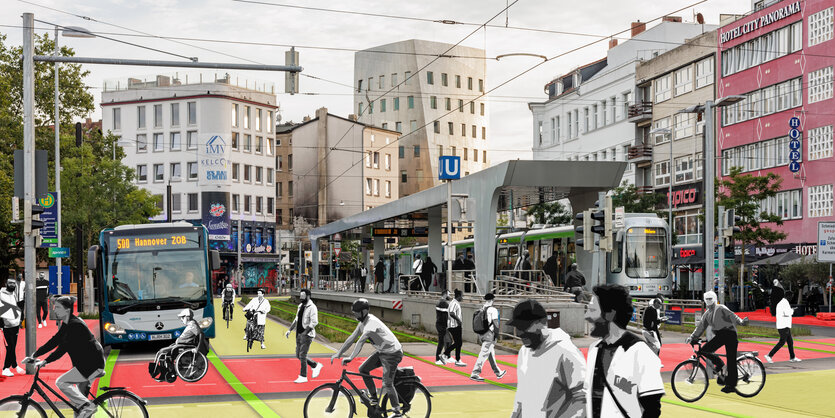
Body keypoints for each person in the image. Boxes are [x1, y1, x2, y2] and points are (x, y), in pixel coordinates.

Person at [584, 284, 664, 418]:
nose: (587, 316)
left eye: (592, 310)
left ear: (610, 314)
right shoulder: (594, 349)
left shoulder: (641, 353)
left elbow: (652, 409)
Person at [26, 296, 104, 418]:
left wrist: (45, 361)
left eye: (57, 307)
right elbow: (55, 341)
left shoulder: (75, 325)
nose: (54, 309)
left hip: (91, 365)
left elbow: (62, 349)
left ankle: (89, 406)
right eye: (54, 307)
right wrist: (35, 355)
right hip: (86, 364)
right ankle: (87, 408)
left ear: (67, 309)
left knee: (61, 382)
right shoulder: (67, 323)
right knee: (79, 404)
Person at [510, 299, 585, 418]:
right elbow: (521, 398)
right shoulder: (524, 352)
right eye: (517, 327)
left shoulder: (566, 351)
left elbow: (581, 398)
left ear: (543, 322)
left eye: (525, 326)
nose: (520, 332)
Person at [332, 299, 404, 417]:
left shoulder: (371, 323)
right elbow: (352, 338)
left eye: (356, 312)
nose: (354, 314)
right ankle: (374, 398)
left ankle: (397, 411)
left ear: (364, 311)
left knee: (387, 383)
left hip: (393, 353)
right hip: (382, 352)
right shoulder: (362, 323)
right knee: (363, 369)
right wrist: (339, 353)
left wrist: (350, 357)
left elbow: (360, 342)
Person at [686, 290, 749, 394]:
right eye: (707, 299)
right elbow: (701, 327)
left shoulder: (721, 308)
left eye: (710, 298)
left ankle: (731, 385)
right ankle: (719, 364)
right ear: (704, 300)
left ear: (715, 299)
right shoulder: (707, 314)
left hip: (730, 334)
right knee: (704, 350)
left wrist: (741, 322)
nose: (709, 301)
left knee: (731, 359)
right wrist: (692, 337)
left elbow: (732, 316)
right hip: (720, 335)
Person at [286, 289, 323, 383]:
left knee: (302, 355)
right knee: (298, 355)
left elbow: (314, 322)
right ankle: (315, 365)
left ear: (308, 296)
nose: (301, 298)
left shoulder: (312, 307)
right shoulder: (300, 306)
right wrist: (290, 330)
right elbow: (296, 319)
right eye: (300, 296)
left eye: (303, 296)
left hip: (307, 335)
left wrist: (305, 333)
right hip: (298, 334)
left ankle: (303, 376)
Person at [154, 308, 205, 377]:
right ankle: (165, 370)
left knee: (162, 351)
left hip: (183, 346)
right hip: (180, 345)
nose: (181, 319)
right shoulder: (190, 325)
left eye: (182, 317)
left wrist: (198, 348)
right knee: (161, 352)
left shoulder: (193, 325)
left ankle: (168, 371)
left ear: (187, 317)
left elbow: (201, 334)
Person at [470, 293, 507, 382]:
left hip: (481, 334)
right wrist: (496, 335)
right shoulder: (493, 310)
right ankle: (475, 373)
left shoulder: (482, 308)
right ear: (492, 300)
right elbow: (495, 323)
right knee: (484, 354)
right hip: (489, 334)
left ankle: (498, 372)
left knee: (490, 353)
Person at [765, 290, 801, 364]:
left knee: (790, 342)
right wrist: (792, 310)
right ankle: (769, 355)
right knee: (782, 342)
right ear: (788, 296)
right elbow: (787, 313)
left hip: (784, 325)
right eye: (791, 296)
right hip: (783, 326)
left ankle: (792, 357)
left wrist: (790, 310)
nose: (792, 298)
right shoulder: (784, 303)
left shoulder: (783, 302)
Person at [1, 278, 23, 377]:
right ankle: (6, 368)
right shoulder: (1, 294)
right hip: (5, 325)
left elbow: (16, 306)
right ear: (6, 283)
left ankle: (13, 366)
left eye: (13, 283)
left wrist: (19, 319)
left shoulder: (14, 294)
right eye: (10, 283)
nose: (12, 285)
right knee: (10, 347)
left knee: (12, 346)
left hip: (15, 324)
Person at [443, 289, 466, 367]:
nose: (462, 297)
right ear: (458, 296)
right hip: (454, 325)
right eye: (462, 296)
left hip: (455, 325)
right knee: (458, 343)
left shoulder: (455, 303)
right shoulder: (454, 303)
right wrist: (458, 320)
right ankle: (445, 354)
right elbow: (452, 313)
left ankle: (457, 359)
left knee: (458, 343)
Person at [434, 290, 451, 365]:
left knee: (448, 340)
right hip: (442, 325)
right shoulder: (443, 303)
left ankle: (447, 356)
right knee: (442, 342)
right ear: (445, 294)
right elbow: (445, 316)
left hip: (441, 324)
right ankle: (438, 359)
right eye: (449, 294)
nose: (449, 296)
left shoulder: (440, 302)